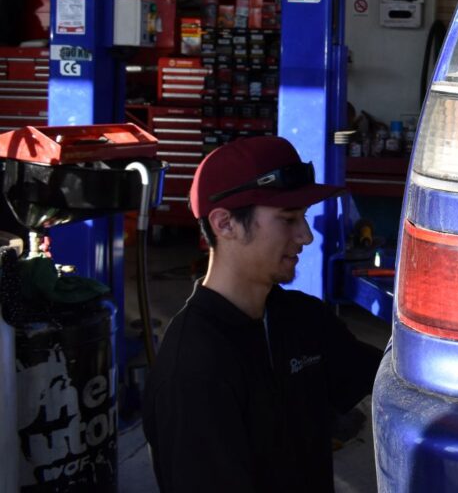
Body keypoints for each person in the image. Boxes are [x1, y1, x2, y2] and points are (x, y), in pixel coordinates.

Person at [143, 136, 382, 491]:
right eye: (288, 219)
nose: (305, 236)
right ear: (225, 224)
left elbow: (387, 382)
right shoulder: (192, 368)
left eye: (303, 217)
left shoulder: (303, 319)